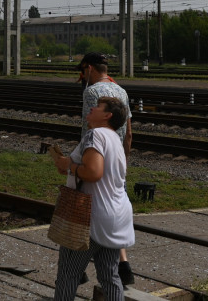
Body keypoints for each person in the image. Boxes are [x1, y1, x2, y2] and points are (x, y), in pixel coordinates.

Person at [52, 97, 134, 301]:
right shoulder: (115, 138)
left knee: (68, 274)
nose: (91, 108)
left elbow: (93, 172)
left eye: (97, 107)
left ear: (107, 115)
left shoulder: (95, 135)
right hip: (117, 214)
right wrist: (69, 166)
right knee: (110, 276)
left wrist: (70, 167)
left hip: (91, 215)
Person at [75, 52, 135, 285]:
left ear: (89, 68)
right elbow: (128, 133)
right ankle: (124, 265)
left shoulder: (91, 93)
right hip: (117, 158)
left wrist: (80, 161)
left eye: (83, 72)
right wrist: (124, 160)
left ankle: (77, 267)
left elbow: (88, 128)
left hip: (95, 157)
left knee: (81, 208)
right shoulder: (122, 91)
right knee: (114, 207)